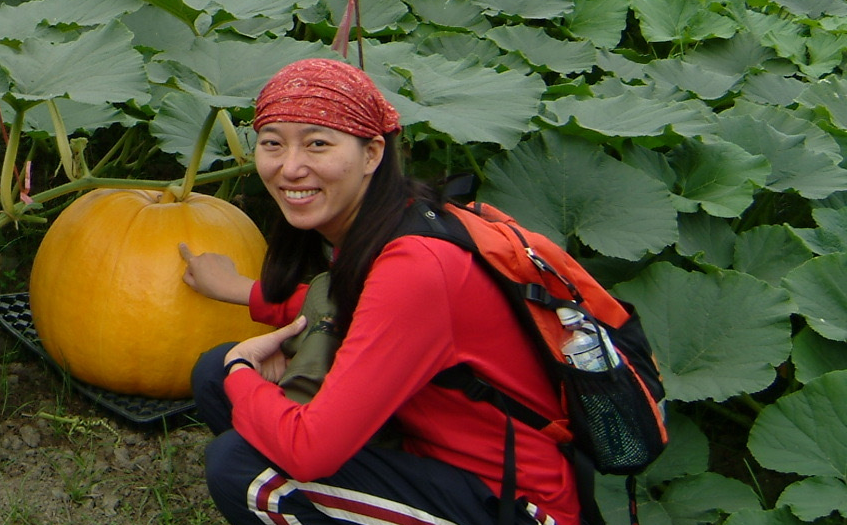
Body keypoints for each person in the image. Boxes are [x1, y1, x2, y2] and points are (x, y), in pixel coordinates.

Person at [177, 59, 580, 525]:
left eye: (318, 144)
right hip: (434, 453)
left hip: (516, 504)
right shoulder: (399, 219)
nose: (290, 168)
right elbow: (354, 306)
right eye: (272, 144)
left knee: (243, 468)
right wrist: (242, 293)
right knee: (213, 375)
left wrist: (240, 371)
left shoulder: (417, 268)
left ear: (372, 153)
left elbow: (310, 452)